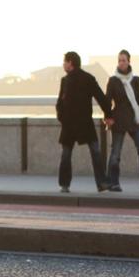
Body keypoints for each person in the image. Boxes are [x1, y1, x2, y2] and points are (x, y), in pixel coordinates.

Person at [104, 50, 139, 192]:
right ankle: (113, 183)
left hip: (134, 120)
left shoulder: (135, 80)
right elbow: (107, 101)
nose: (121, 63)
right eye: (119, 60)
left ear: (129, 61)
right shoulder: (113, 81)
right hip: (118, 120)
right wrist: (108, 117)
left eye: (124, 60)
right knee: (115, 153)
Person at [55, 51, 114, 192]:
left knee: (69, 154)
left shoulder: (77, 79)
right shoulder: (78, 79)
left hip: (76, 123)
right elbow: (101, 98)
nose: (63, 64)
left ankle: (65, 185)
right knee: (93, 152)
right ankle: (101, 183)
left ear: (70, 63)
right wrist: (108, 114)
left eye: (65, 61)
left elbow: (60, 104)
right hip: (79, 123)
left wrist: (62, 118)